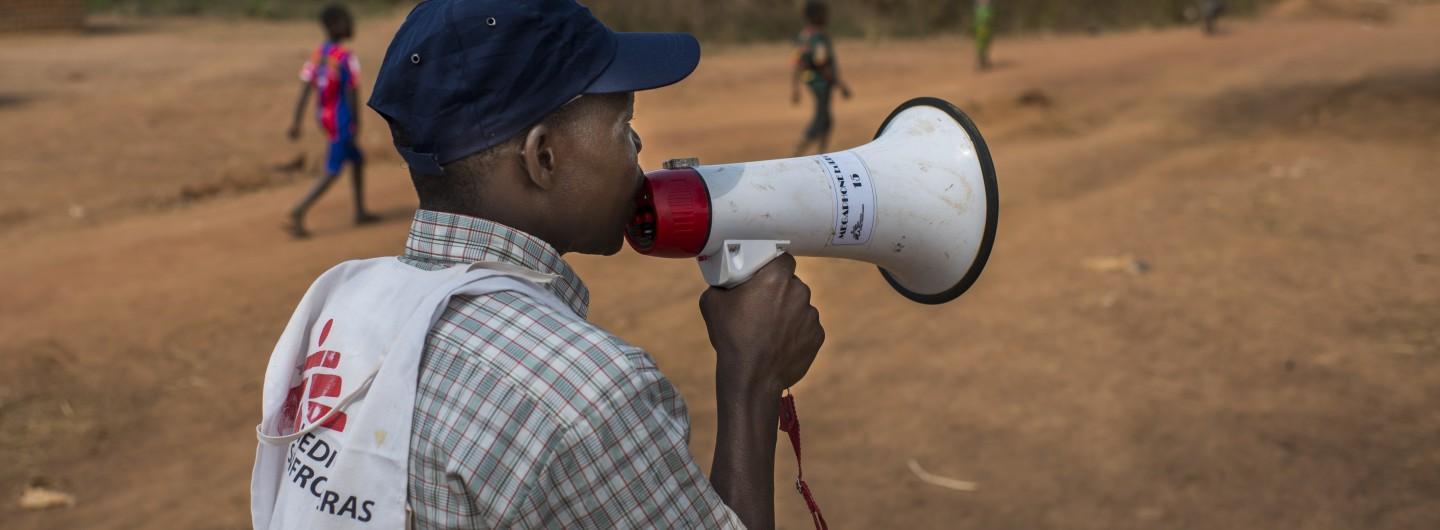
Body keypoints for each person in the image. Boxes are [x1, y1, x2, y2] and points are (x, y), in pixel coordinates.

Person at [251, 1, 826, 529]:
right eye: (623, 126)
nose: (638, 146)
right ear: (542, 157)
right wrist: (753, 379)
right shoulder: (581, 393)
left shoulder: (343, 309)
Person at [284, 3, 377, 239]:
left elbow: (306, 89)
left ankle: (360, 211)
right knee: (333, 169)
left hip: (324, 116)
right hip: (341, 119)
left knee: (357, 160)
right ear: (335, 25)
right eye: (347, 21)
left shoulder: (318, 54)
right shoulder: (345, 57)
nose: (352, 25)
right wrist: (356, 124)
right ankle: (298, 210)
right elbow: (352, 92)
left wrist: (296, 121)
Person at [791, 0, 852, 157]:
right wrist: (841, 85)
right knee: (821, 120)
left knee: (827, 121)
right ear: (817, 16)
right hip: (822, 83)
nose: (827, 17)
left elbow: (797, 63)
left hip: (811, 80)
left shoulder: (804, 35)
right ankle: (796, 154)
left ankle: (822, 154)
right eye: (825, 14)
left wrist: (795, 88)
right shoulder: (819, 37)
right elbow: (821, 62)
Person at [974, 0, 995, 71]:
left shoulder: (988, 9)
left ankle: (983, 61)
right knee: (981, 45)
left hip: (987, 28)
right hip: (981, 28)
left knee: (985, 45)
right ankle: (979, 63)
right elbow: (979, 20)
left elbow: (990, 19)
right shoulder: (980, 10)